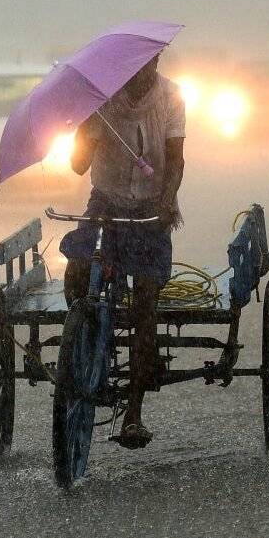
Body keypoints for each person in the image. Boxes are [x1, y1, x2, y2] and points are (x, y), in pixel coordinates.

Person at [58, 53, 185, 449]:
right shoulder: (104, 100)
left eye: (147, 66)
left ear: (158, 62)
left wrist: (167, 198)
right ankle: (88, 338)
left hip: (151, 209)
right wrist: (83, 126)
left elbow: (177, 159)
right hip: (107, 203)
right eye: (132, 68)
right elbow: (79, 166)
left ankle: (134, 413)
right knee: (79, 271)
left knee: (146, 301)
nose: (140, 74)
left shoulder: (171, 97)